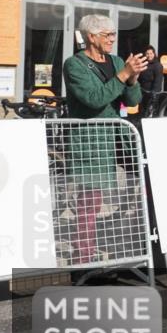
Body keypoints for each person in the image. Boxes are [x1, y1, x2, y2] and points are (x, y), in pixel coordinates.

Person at [62, 14, 147, 264]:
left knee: (138, 187)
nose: (112, 39)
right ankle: (84, 256)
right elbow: (94, 99)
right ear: (91, 37)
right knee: (91, 201)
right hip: (92, 141)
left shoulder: (117, 61)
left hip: (119, 137)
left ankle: (129, 247)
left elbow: (133, 101)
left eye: (113, 34)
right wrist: (123, 76)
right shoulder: (74, 64)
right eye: (107, 35)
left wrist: (132, 78)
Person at [137, 45, 164, 115]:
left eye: (151, 53)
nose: (149, 55)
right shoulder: (143, 64)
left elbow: (158, 82)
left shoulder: (158, 65)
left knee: (150, 114)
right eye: (147, 54)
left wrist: (154, 96)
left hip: (152, 94)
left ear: (154, 54)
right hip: (142, 93)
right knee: (142, 113)